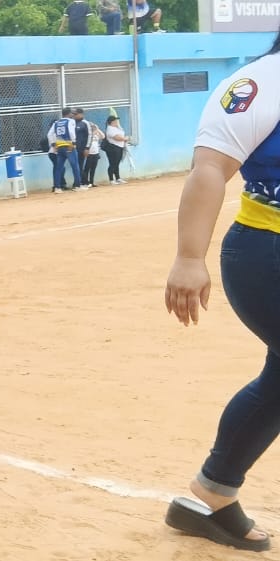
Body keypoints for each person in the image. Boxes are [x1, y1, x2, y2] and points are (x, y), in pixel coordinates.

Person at [163, 31, 280, 552]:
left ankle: (212, 493)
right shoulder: (260, 84)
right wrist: (190, 257)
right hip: (266, 253)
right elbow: (210, 168)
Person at [47, 108, 81, 193]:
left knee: (59, 167)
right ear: (69, 114)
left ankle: (57, 187)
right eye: (72, 114)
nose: (73, 115)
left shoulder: (56, 123)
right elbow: (71, 132)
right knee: (75, 166)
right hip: (68, 145)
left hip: (59, 146)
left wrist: (53, 144)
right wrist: (73, 143)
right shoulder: (70, 121)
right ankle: (77, 186)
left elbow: (49, 134)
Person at [103, 115, 129, 185]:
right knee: (113, 164)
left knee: (116, 164)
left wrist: (124, 138)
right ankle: (111, 180)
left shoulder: (116, 128)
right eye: (115, 120)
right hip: (113, 148)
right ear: (111, 122)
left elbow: (121, 135)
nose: (116, 122)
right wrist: (125, 139)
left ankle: (118, 178)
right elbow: (117, 137)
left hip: (119, 147)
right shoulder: (110, 128)